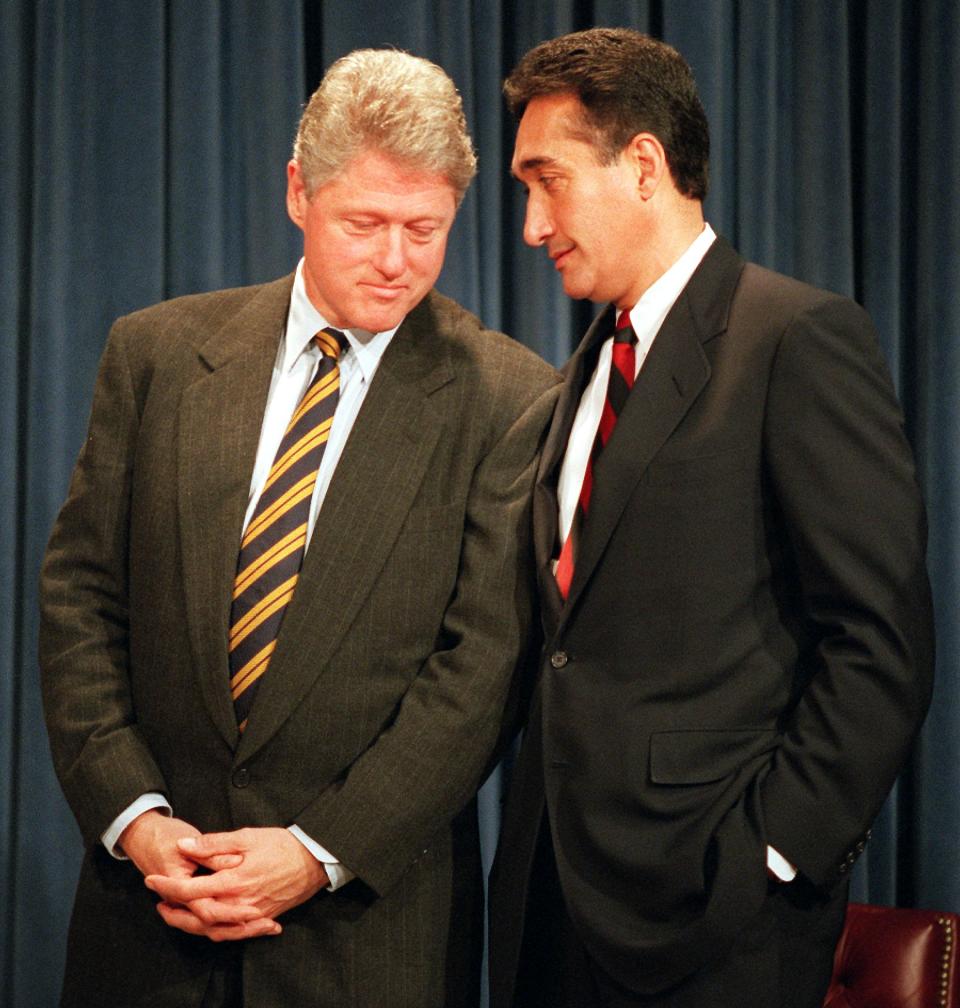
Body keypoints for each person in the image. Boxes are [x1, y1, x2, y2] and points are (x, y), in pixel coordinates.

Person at [40, 48, 559, 1008]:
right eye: (365, 224)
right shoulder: (154, 354)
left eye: (425, 229)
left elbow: (482, 667)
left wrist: (317, 853)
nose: (397, 260)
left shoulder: (511, 397)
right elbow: (81, 598)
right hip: (149, 918)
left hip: (366, 942)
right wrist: (138, 819)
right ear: (296, 193)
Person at [488, 27, 934, 1008]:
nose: (529, 224)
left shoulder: (799, 340)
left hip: (715, 927)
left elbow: (879, 646)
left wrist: (771, 859)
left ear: (643, 165)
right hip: (551, 915)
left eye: (548, 180)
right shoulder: (584, 375)